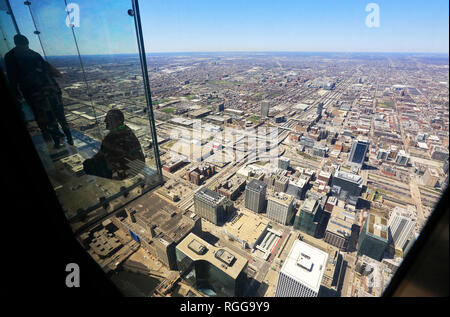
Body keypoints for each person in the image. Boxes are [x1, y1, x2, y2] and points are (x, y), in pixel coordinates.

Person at [4, 34, 73, 148]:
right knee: (59, 115)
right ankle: (67, 138)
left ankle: (58, 140)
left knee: (48, 118)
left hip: (36, 94)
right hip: (50, 91)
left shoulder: (11, 56)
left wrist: (16, 93)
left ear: (16, 43)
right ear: (26, 43)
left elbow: (12, 78)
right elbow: (54, 73)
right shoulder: (34, 54)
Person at [83, 109, 145, 180]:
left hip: (127, 171)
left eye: (108, 119)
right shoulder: (126, 130)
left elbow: (102, 155)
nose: (105, 121)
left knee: (88, 166)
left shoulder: (112, 137)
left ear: (117, 121)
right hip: (136, 167)